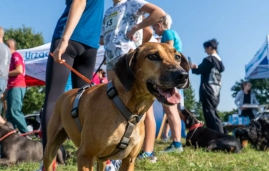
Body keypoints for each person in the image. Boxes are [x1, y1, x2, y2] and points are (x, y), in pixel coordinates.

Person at [39, 0, 104, 170]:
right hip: (90, 43)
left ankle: (48, 164)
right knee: (86, 103)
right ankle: (93, 157)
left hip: (70, 38)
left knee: (53, 97)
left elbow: (80, 2)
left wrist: (64, 39)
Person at [100, 0, 166, 165]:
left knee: (142, 106)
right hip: (111, 60)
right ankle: (117, 151)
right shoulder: (108, 11)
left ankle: (148, 151)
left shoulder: (131, 3)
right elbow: (103, 38)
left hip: (129, 58)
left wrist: (136, 29)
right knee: (116, 104)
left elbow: (159, 13)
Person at [152, 14, 185, 152]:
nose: (154, 30)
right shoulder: (173, 32)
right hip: (176, 72)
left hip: (170, 73)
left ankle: (176, 143)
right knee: (172, 110)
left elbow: (167, 52)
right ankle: (176, 142)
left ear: (159, 24)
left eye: (154, 27)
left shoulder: (167, 33)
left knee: (170, 109)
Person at [190, 38, 225, 133]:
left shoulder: (209, 60)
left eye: (205, 48)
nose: (205, 51)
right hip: (216, 90)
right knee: (213, 112)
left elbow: (200, 70)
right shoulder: (219, 62)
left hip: (208, 89)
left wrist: (193, 67)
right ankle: (219, 133)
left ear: (210, 47)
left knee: (209, 113)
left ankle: (217, 134)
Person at [5, 39, 29, 134]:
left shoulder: (15, 55)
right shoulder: (11, 57)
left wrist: (4, 73)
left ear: (10, 46)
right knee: (9, 114)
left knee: (14, 111)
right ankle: (11, 134)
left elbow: (19, 70)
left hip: (17, 85)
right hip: (11, 87)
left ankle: (26, 133)